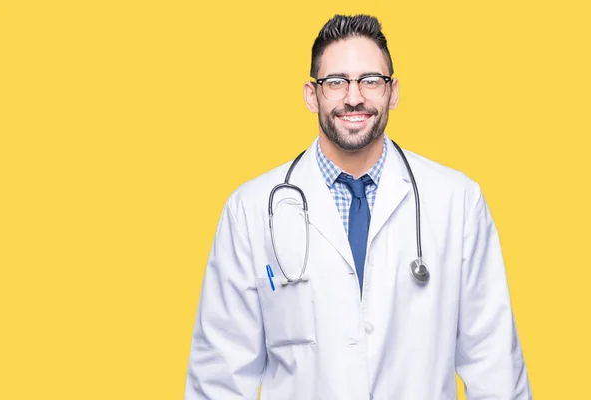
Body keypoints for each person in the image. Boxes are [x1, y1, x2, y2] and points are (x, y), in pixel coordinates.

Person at [184, 14, 532, 400]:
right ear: (311, 94)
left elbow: (494, 365)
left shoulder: (458, 201)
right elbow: (220, 378)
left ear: (393, 92)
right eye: (335, 82)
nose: (354, 97)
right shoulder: (248, 211)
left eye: (370, 80)